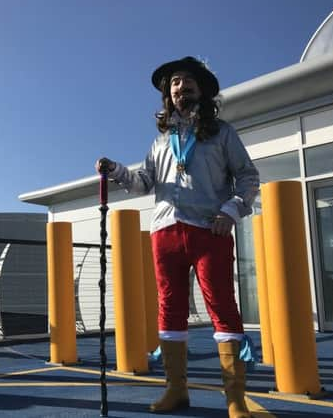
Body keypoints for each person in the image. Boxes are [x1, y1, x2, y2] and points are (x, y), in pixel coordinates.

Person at [96, 56, 259, 418]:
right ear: (167, 95)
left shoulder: (223, 133)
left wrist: (230, 211)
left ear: (200, 91)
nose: (180, 88)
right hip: (166, 232)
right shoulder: (160, 141)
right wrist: (116, 171)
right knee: (170, 307)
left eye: (187, 83)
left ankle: (235, 399)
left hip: (209, 229)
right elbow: (144, 183)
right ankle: (176, 390)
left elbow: (248, 177)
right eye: (174, 84)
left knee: (222, 306)